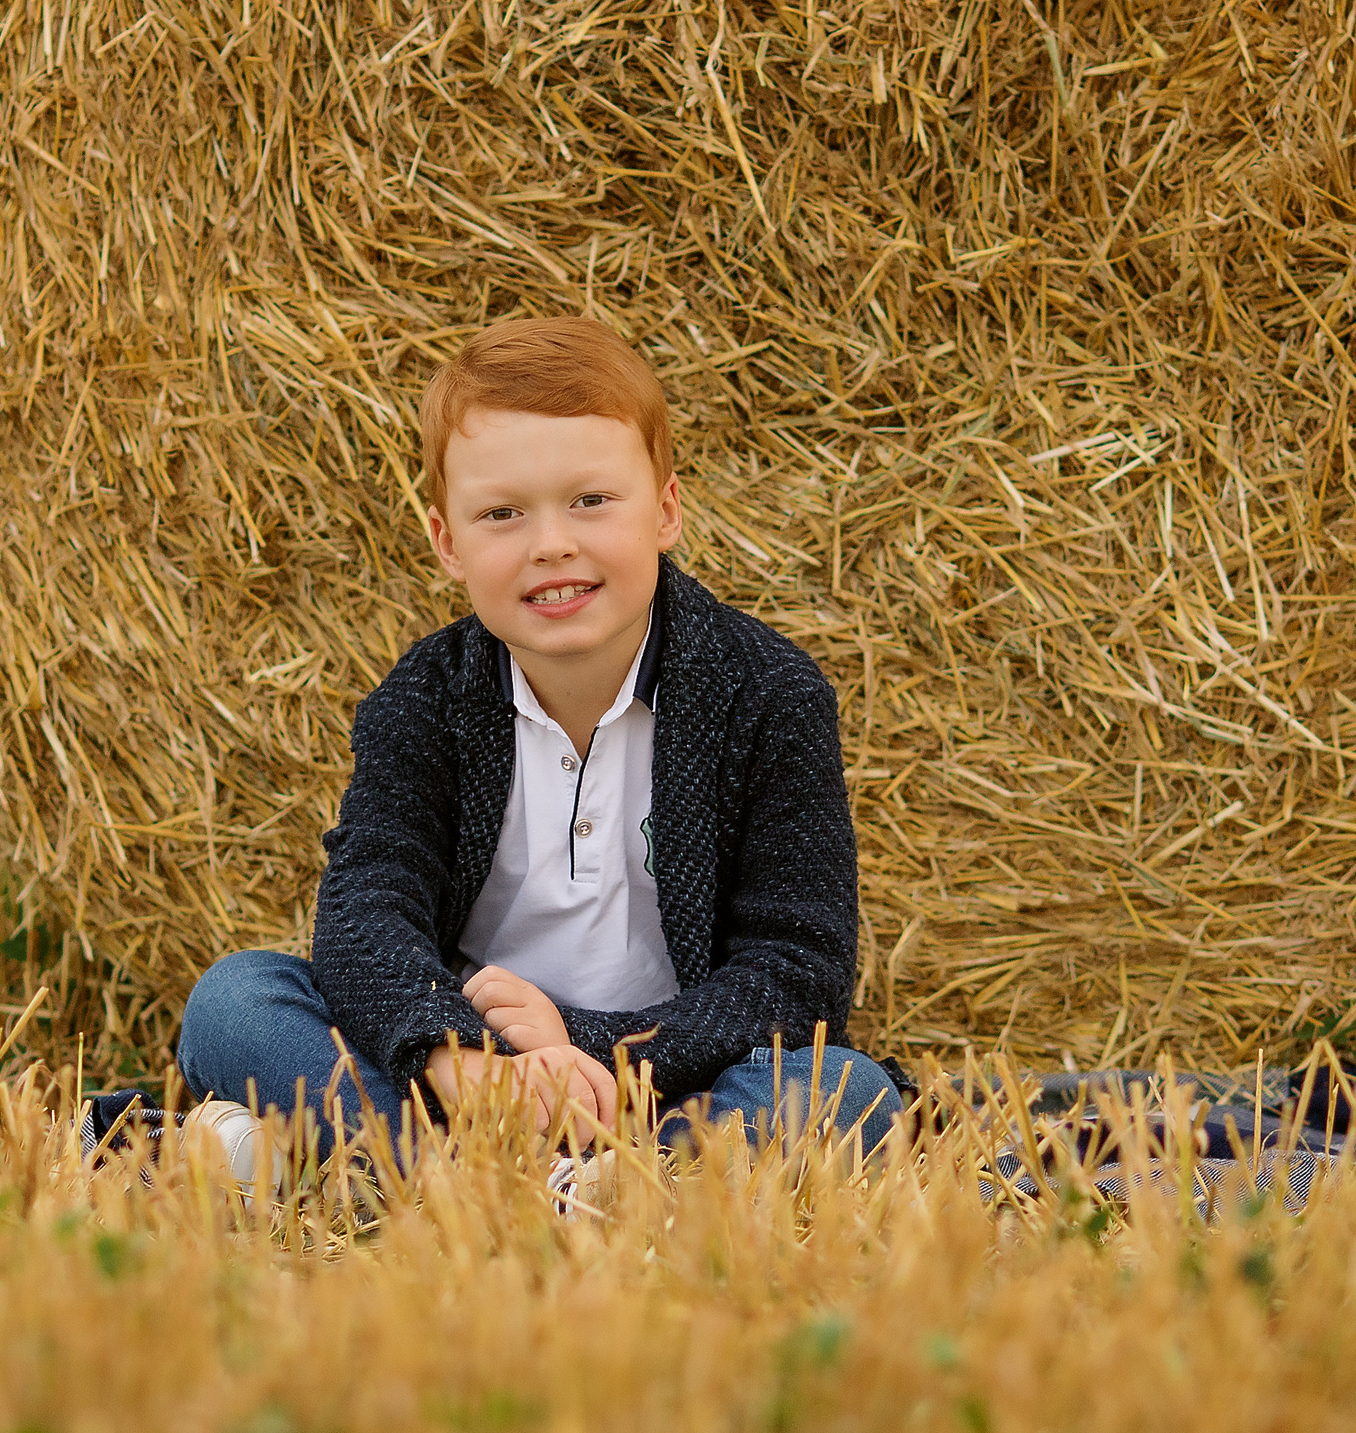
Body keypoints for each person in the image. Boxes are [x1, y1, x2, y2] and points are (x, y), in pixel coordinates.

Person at [122, 315, 903, 1178]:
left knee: (846, 1087)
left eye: (591, 500)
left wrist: (594, 1053)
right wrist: (467, 1065)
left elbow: (800, 971)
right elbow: (362, 919)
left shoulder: (767, 694)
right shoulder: (423, 702)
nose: (551, 543)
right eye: (503, 514)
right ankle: (506, 1177)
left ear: (667, 509)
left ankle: (450, 1173)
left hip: (670, 1080)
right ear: (447, 542)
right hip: (458, 1079)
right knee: (236, 998)